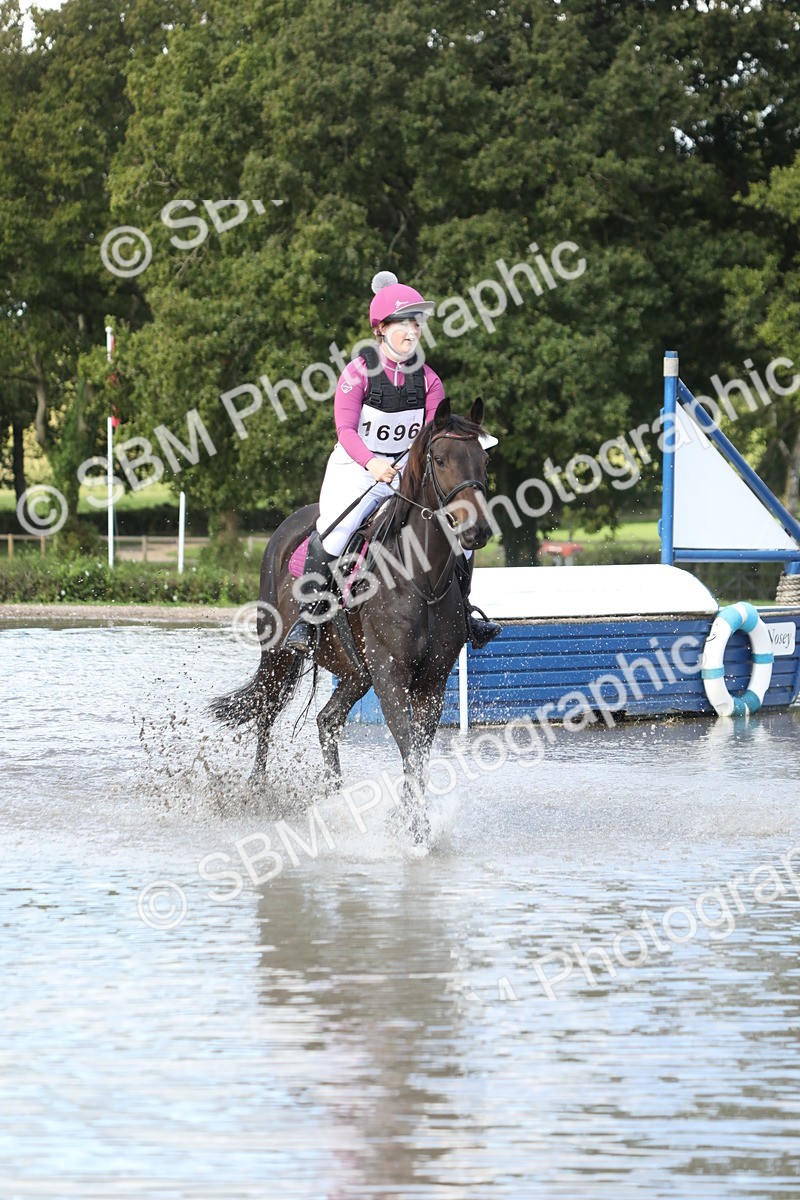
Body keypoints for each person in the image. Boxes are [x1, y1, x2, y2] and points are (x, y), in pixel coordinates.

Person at [282, 271, 502, 655]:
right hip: (355, 468)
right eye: (405, 323)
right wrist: (371, 464)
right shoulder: (357, 375)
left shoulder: (429, 381)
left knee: (462, 534)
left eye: (416, 323)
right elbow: (345, 430)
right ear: (381, 328)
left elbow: (435, 432)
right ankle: (308, 618)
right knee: (337, 530)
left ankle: (465, 614)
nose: (413, 331)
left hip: (406, 471)